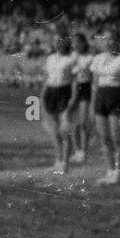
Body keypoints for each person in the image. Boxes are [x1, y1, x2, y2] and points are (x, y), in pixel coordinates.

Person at [90, 29, 120, 186]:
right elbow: (94, 85)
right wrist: (92, 106)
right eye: (106, 39)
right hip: (100, 99)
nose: (109, 42)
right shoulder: (98, 58)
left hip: (116, 98)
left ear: (117, 41)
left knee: (117, 138)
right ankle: (109, 171)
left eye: (112, 39)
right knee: (104, 138)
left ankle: (119, 172)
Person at [41, 32, 77, 174]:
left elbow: (74, 81)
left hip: (64, 91)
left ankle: (65, 163)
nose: (60, 44)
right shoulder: (50, 58)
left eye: (62, 42)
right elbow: (47, 78)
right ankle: (58, 161)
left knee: (64, 129)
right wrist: (42, 95)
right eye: (58, 42)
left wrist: (73, 98)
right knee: (54, 130)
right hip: (50, 91)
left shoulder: (71, 60)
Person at [69, 33, 94, 164]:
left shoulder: (90, 57)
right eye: (74, 42)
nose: (76, 45)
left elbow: (92, 76)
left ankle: (84, 152)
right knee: (73, 124)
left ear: (84, 43)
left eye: (78, 42)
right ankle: (77, 151)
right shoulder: (72, 56)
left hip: (85, 88)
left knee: (83, 122)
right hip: (73, 87)